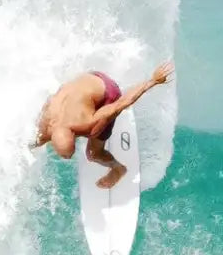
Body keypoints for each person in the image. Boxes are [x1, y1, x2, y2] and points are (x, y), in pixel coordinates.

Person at [31, 62, 174, 189]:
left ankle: (119, 169)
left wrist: (153, 81)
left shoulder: (87, 123)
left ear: (74, 134)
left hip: (108, 90)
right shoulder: (43, 125)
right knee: (33, 143)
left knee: (93, 154)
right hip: (89, 77)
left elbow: (121, 104)